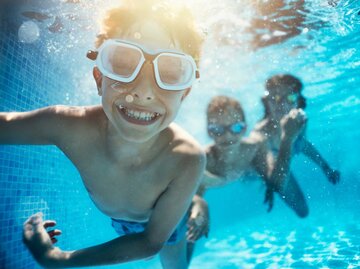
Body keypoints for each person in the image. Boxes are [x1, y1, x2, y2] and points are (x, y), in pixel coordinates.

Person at [0, 1, 206, 268]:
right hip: (123, 225)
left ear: (185, 93)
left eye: (170, 73)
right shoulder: (69, 126)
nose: (143, 91)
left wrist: (57, 259)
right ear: (99, 78)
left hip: (168, 226)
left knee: (175, 266)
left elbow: (149, 243)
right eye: (122, 63)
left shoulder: (186, 158)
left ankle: (196, 204)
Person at [186, 94, 307, 262]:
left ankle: (269, 173)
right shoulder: (205, 161)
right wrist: (198, 213)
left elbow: (278, 184)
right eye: (217, 130)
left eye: (235, 128)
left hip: (252, 171)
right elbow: (193, 199)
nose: (227, 137)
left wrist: (287, 138)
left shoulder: (254, 147)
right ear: (209, 131)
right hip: (238, 173)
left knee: (302, 210)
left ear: (244, 128)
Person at [254, 73, 340, 211]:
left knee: (303, 211)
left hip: (281, 163)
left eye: (290, 97)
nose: (282, 104)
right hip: (264, 169)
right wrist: (269, 186)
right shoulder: (261, 133)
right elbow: (266, 169)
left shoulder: (299, 121)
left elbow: (303, 145)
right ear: (267, 101)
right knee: (302, 210)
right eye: (275, 97)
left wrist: (326, 168)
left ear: (298, 101)